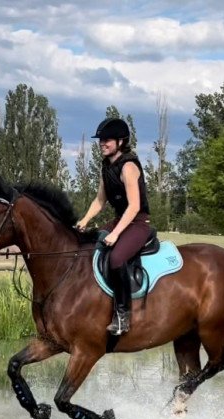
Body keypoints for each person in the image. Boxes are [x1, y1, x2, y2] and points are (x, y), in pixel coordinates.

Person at [76, 118, 151, 335]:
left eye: (106, 140)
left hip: (137, 223)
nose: (102, 143)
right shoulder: (105, 166)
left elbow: (135, 206)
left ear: (120, 141)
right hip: (120, 220)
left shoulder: (129, 166)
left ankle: (123, 315)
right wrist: (84, 221)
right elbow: (100, 201)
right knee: (88, 245)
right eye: (100, 140)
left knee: (117, 258)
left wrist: (116, 234)